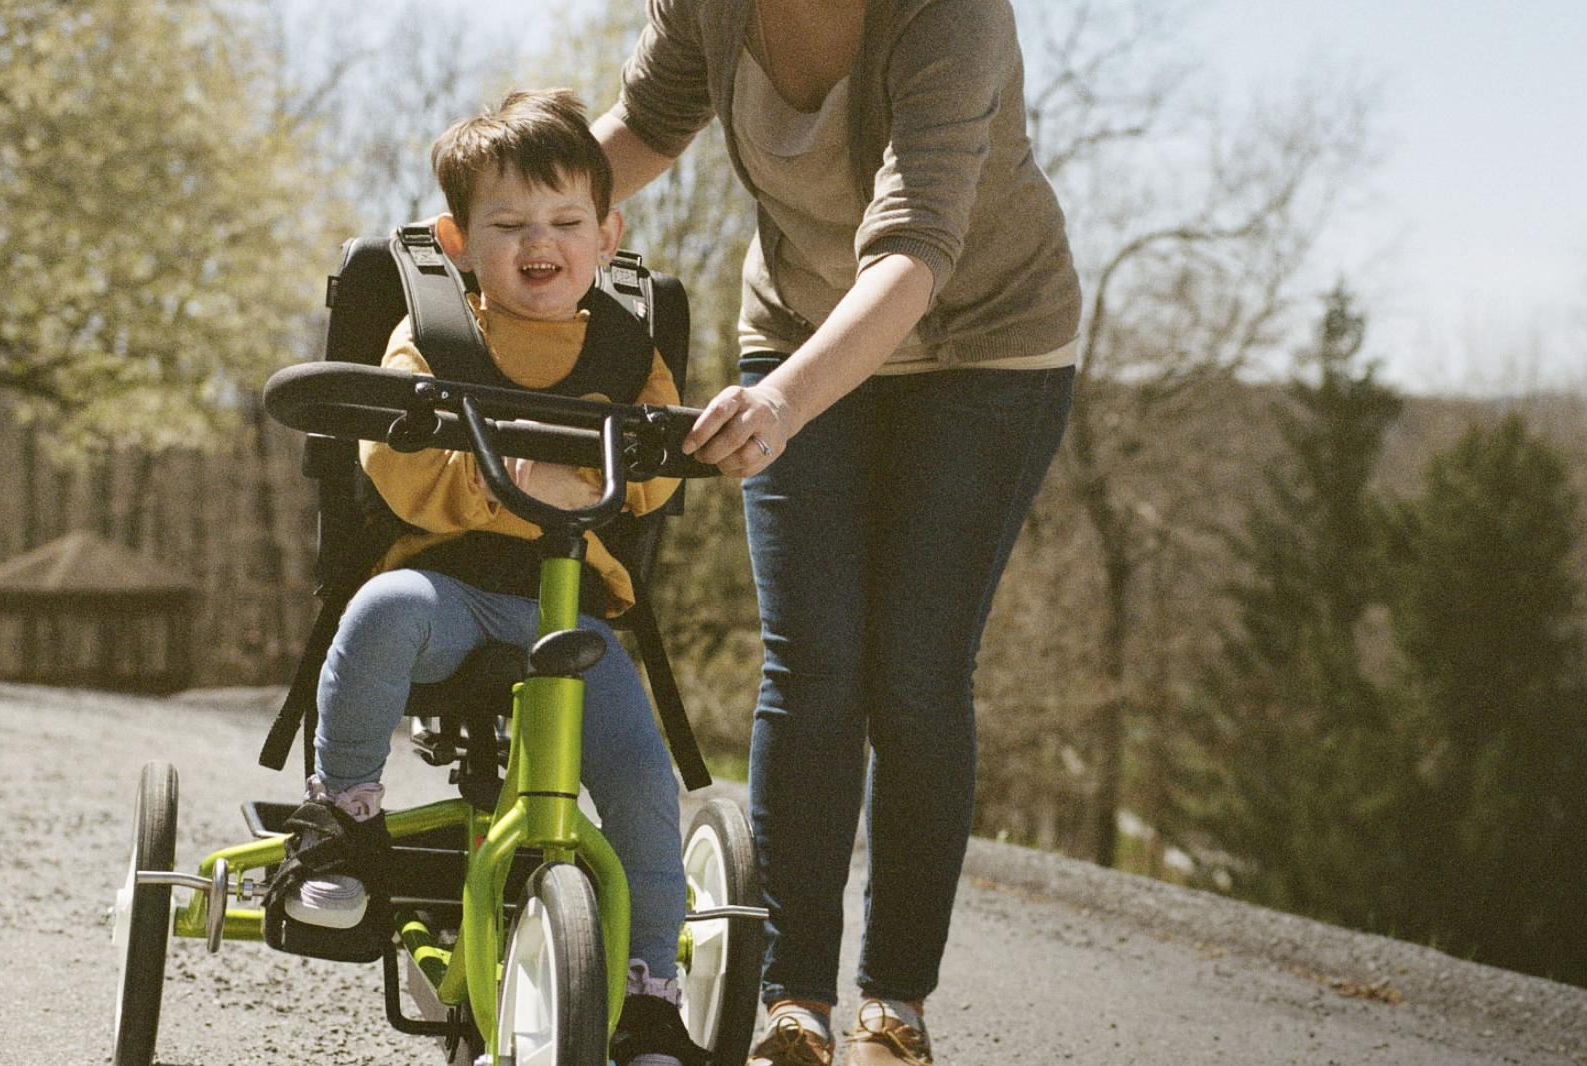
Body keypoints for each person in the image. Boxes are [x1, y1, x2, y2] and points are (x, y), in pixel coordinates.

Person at [594, 2, 1081, 1063]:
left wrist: (781, 406)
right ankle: (792, 1006)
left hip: (983, 347)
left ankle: (890, 1010)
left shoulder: (949, 15)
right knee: (810, 663)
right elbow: (640, 129)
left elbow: (913, 247)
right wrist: (498, 216)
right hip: (798, 330)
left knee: (913, 669)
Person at [278, 88, 707, 1066]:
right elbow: (391, 463)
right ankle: (340, 817)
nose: (537, 243)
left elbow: (658, 477)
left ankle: (648, 995)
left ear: (607, 234)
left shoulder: (624, 348)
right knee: (380, 608)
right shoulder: (431, 332)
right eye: (507, 225)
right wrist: (503, 480)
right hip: (449, 585)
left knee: (641, 777)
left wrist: (628, 471)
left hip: (573, 598)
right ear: (458, 238)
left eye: (564, 223)